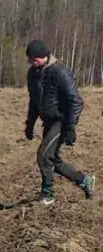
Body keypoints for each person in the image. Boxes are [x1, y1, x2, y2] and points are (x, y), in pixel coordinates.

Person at [24, 39, 95, 205]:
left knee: (43, 156)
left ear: (45, 57)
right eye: (30, 59)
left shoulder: (60, 72)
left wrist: (70, 128)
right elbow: (33, 102)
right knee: (53, 159)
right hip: (48, 122)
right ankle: (84, 180)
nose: (31, 62)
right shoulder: (33, 74)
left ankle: (48, 194)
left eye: (34, 59)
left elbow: (76, 101)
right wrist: (29, 125)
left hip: (61, 121)